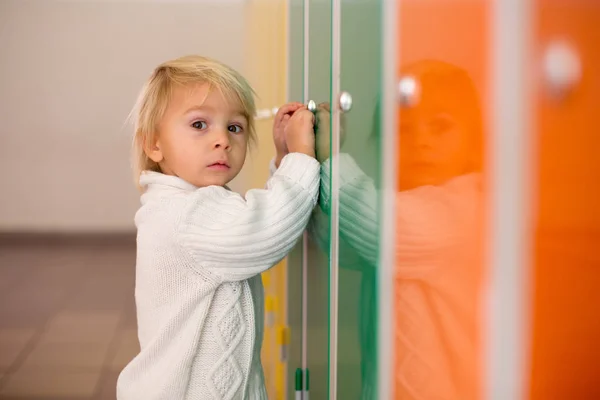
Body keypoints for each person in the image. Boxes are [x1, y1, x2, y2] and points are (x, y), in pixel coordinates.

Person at [116, 54, 319, 400]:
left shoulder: (187, 202)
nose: (222, 139)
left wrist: (283, 160)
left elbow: (247, 218)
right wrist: (302, 158)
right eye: (199, 125)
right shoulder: (186, 214)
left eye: (234, 127)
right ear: (154, 144)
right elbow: (262, 229)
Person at [296, 60, 484, 399]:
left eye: (440, 127)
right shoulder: (406, 203)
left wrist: (329, 159)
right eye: (403, 130)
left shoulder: (469, 205)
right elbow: (339, 241)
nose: (421, 142)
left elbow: (376, 226)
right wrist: (298, 162)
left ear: (474, 142)